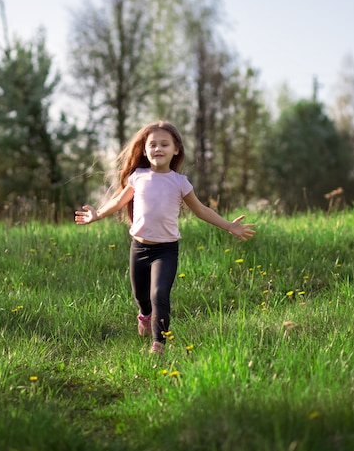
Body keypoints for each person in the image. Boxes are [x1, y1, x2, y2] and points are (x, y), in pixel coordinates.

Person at [75, 121, 256, 355]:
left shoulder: (180, 182)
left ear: (176, 149)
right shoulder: (138, 177)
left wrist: (229, 226)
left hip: (166, 250)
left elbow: (202, 210)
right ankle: (144, 316)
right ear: (144, 150)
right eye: (152, 144)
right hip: (138, 248)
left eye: (164, 144)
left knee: (159, 294)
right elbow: (118, 202)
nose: (158, 148)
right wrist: (97, 214)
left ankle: (158, 343)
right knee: (141, 296)